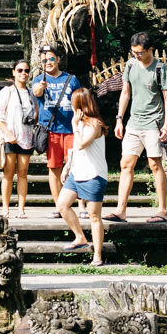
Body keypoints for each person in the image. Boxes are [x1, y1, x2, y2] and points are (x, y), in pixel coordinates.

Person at [109, 31, 167, 224]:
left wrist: (166, 125)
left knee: (155, 165)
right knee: (126, 164)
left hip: (153, 123)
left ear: (150, 50)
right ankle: (121, 210)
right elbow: (125, 92)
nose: (136, 55)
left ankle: (162, 210)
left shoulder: (160, 68)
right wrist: (119, 119)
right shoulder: (130, 65)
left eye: (140, 52)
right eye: (133, 52)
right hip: (133, 123)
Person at [54, 88, 109, 264]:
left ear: (79, 105)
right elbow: (75, 150)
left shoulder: (95, 124)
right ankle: (80, 237)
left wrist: (74, 126)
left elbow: (82, 144)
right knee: (62, 205)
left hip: (94, 175)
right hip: (77, 173)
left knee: (94, 216)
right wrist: (67, 166)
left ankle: (97, 255)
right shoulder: (79, 123)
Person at [32, 45, 81, 198]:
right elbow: (36, 92)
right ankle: (59, 205)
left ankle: (80, 205)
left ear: (58, 59)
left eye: (51, 59)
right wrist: (41, 87)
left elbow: (80, 101)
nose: (48, 62)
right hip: (51, 131)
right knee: (54, 168)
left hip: (71, 130)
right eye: (44, 60)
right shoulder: (39, 79)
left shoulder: (71, 79)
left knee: (75, 167)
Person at [0, 59, 35, 218]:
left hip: (26, 137)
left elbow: (34, 113)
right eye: (20, 70)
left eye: (26, 70)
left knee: (23, 173)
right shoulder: (7, 91)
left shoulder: (31, 93)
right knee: (9, 172)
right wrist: (8, 133)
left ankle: (21, 209)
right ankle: (5, 208)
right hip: (10, 136)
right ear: (13, 72)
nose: (23, 73)